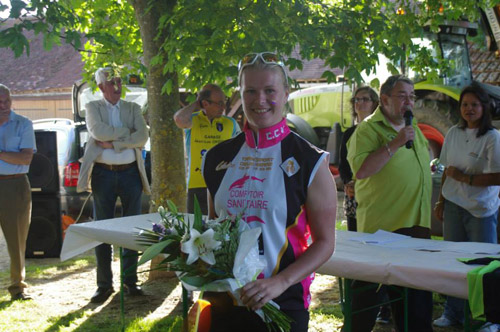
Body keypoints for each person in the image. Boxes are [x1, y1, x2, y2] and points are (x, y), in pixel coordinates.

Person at [202, 52, 337, 332]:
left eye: (269, 90)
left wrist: (280, 282)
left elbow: (325, 243)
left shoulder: (310, 161)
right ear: (240, 93)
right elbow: (214, 228)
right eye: (250, 90)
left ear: (286, 93)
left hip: (281, 304)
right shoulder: (217, 158)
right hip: (222, 302)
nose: (259, 100)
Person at [345, 75, 433, 332]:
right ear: (384, 99)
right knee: (366, 300)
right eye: (402, 96)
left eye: (412, 97)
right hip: (383, 230)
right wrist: (394, 144)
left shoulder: (412, 127)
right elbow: (360, 170)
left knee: (415, 301)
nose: (409, 102)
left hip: (417, 224)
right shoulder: (368, 130)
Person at [77, 68, 151, 304]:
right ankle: (104, 285)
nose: (117, 87)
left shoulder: (133, 108)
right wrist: (127, 135)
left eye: (119, 82)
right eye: (111, 83)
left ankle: (130, 281)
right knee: (103, 229)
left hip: (131, 174)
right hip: (103, 174)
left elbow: (142, 137)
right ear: (100, 87)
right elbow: (98, 132)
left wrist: (114, 143)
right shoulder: (92, 107)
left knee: (132, 228)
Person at [432, 85, 500, 331]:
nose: (469, 109)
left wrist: (465, 178)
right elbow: (447, 170)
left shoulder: (492, 137)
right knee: (454, 260)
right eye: (464, 105)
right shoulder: (453, 133)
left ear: (484, 108)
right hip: (453, 204)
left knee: (483, 264)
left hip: (481, 209)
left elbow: (497, 176)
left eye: (474, 105)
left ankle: (488, 318)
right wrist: (441, 200)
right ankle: (453, 313)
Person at [173, 84, 240, 215]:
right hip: (197, 185)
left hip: (224, 184)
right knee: (197, 228)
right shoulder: (193, 120)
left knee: (223, 229)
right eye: (219, 103)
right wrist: (196, 104)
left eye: (224, 102)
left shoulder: (230, 123)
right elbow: (179, 119)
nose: (223, 107)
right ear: (205, 103)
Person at [0, 84, 36, 301]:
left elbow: (25, 158)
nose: (3, 106)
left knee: (16, 239)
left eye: (6, 101)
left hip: (14, 185)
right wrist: (7, 155)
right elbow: (15, 156)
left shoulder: (23, 124)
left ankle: (17, 288)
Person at [338, 86, 379, 232]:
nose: (359, 103)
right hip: (352, 195)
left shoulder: (378, 132)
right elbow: (342, 164)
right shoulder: (349, 133)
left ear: (374, 103)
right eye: (356, 99)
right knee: (354, 240)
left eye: (365, 99)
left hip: (373, 192)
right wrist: (348, 183)